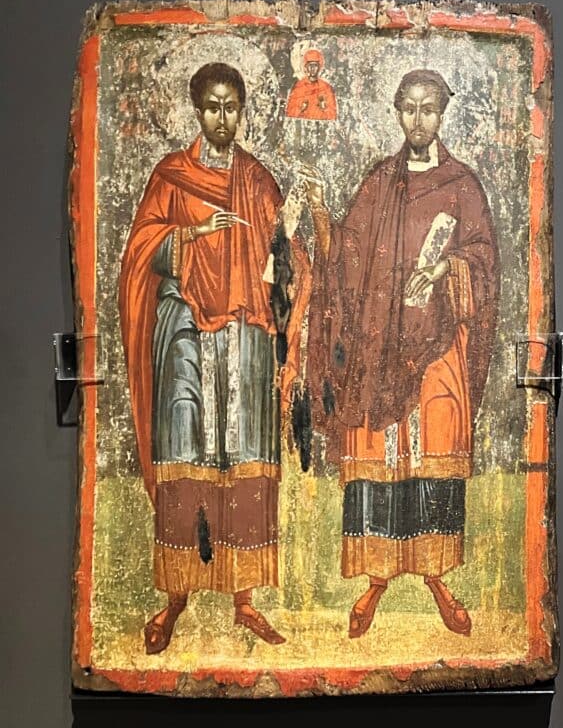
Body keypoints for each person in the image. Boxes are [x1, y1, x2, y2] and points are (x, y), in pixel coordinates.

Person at [119, 62, 310, 654]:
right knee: (186, 449)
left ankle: (244, 600)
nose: (222, 118)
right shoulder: (172, 176)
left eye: (231, 107)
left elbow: (283, 260)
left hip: (245, 333)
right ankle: (176, 597)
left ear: (243, 110)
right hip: (185, 330)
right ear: (197, 110)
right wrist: (194, 233)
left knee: (244, 453)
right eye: (212, 106)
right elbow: (140, 250)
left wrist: (294, 230)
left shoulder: (257, 179)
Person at [306, 69, 499, 638]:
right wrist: (320, 218)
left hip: (436, 341)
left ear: (442, 114)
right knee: (380, 453)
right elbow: (347, 254)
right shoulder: (379, 181)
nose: (419, 119)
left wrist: (446, 269)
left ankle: (436, 576)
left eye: (429, 108)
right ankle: (377, 579)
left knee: (433, 445)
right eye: (409, 108)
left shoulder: (462, 184)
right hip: (380, 343)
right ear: (397, 113)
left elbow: (485, 261)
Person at [285, 49, 338, 121]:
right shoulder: (298, 87)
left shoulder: (326, 88)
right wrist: (301, 109)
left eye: (315, 65)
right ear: (306, 67)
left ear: (319, 67)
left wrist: (324, 108)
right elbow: (289, 114)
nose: (312, 68)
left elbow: (333, 116)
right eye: (310, 65)